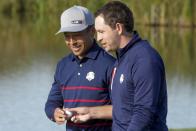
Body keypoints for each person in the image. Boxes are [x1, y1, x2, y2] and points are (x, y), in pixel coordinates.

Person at [68, 1, 168, 131]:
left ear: (119, 28)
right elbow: (123, 108)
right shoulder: (121, 59)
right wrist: (90, 112)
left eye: (101, 32)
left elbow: (143, 114)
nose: (98, 38)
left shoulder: (145, 60)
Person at [44, 5, 115, 131]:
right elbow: (52, 102)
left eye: (77, 35)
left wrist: (91, 113)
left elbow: (123, 110)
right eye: (67, 35)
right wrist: (55, 113)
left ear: (92, 31)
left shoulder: (110, 65)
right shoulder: (63, 65)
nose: (72, 42)